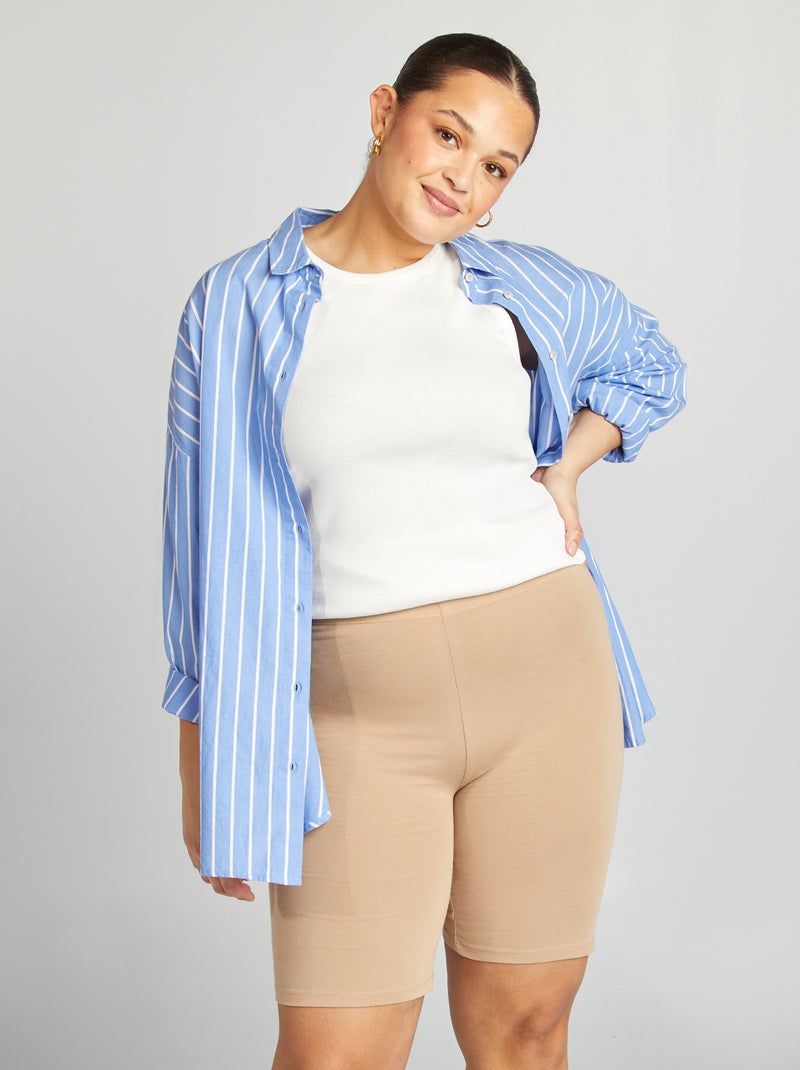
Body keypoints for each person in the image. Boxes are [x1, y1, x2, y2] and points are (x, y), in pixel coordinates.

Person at [162, 32, 685, 1070]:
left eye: (496, 167)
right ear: (382, 113)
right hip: (353, 720)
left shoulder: (517, 287)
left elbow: (649, 363)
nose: (463, 179)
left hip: (548, 688)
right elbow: (199, 544)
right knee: (336, 1053)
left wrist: (568, 467)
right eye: (448, 135)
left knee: (525, 1031)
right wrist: (204, 768)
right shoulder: (240, 302)